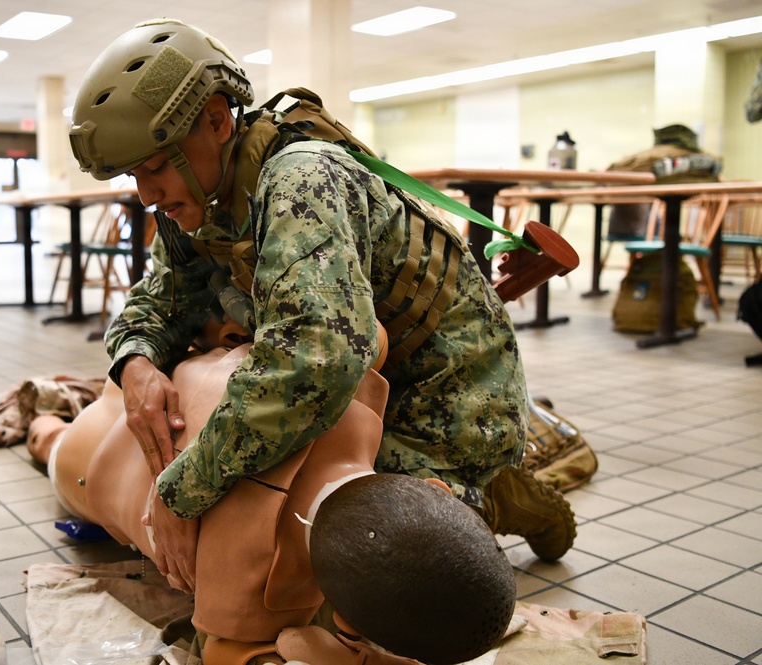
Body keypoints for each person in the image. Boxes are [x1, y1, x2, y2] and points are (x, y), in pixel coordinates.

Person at [65, 18, 575, 590]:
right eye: (134, 175)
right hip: (363, 385)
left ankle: (492, 495)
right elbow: (155, 303)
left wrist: (181, 493)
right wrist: (134, 364)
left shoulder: (302, 179)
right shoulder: (202, 201)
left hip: (446, 402)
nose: (147, 194)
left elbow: (313, 362)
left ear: (215, 120)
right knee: (265, 495)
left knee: (362, 540)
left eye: (155, 167)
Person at [27, 340, 517, 665]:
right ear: (344, 621)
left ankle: (54, 410)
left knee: (71, 423)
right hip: (86, 465)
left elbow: (369, 334)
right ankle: (40, 424)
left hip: (157, 378)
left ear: (437, 489)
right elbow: (235, 653)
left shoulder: (352, 389)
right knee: (47, 439)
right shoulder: (244, 580)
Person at [605, 124, 723, 243]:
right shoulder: (709, 166)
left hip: (650, 229)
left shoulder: (649, 160)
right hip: (673, 231)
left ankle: (660, 253)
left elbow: (613, 172)